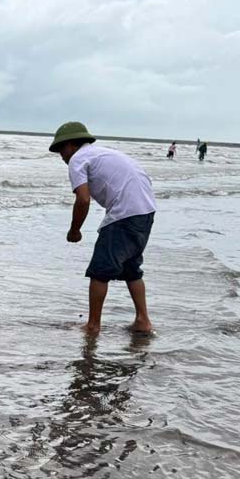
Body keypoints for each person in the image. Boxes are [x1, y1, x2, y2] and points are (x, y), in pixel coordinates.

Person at [49, 121, 155, 336]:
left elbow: (83, 199)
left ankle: (93, 326)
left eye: (61, 149)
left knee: (99, 271)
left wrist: (74, 230)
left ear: (71, 144)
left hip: (124, 214)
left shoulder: (78, 159)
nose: (61, 156)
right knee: (131, 268)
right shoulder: (102, 153)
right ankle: (142, 320)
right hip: (146, 211)